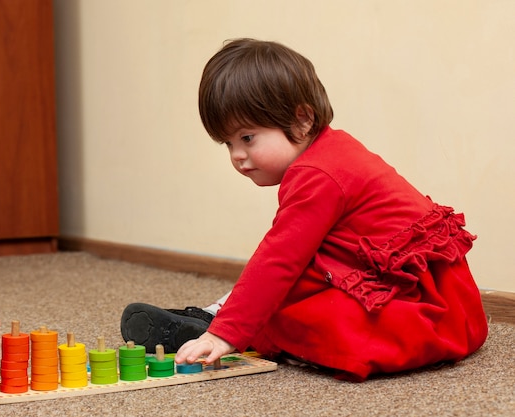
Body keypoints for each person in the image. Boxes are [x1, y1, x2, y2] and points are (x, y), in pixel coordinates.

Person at [120, 38, 488, 381]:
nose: (237, 156)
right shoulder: (332, 151)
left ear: (302, 120)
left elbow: (278, 259)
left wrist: (225, 336)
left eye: (247, 138)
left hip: (427, 313)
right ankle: (227, 318)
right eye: (227, 143)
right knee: (301, 276)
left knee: (290, 311)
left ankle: (224, 324)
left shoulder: (318, 173)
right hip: (447, 303)